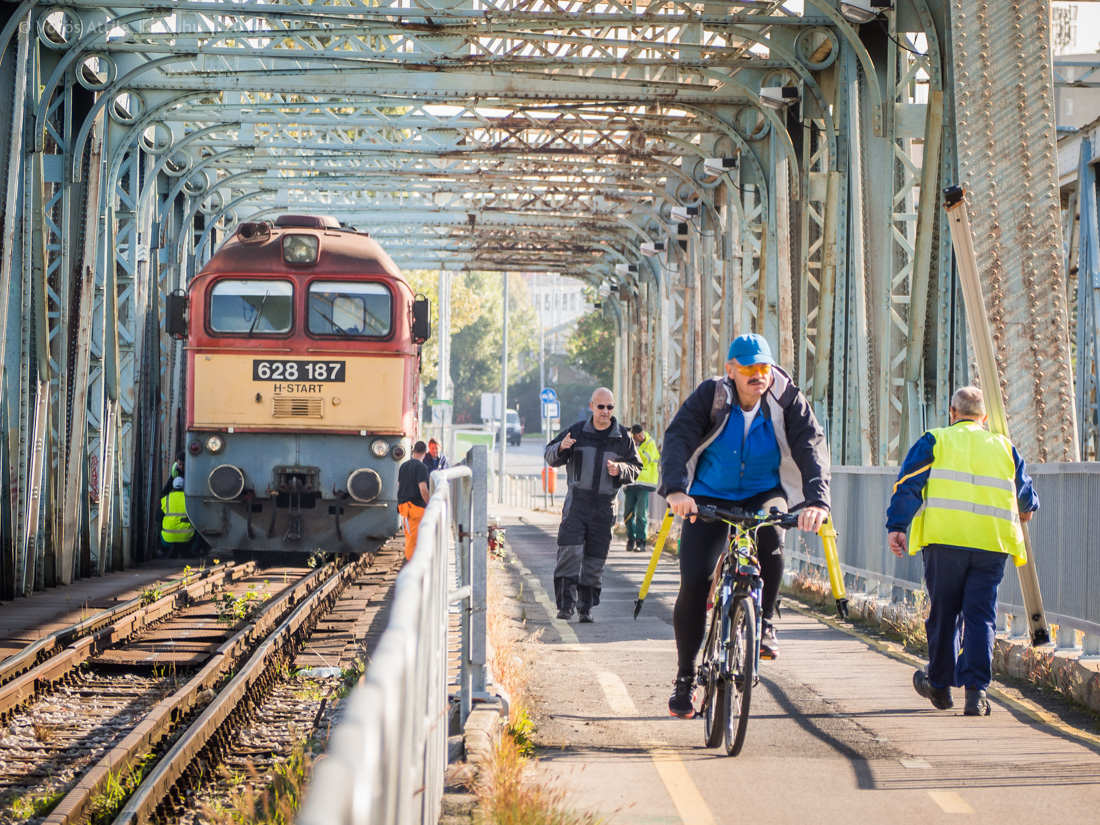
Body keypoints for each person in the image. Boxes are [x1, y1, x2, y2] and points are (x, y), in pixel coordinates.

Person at [660, 333, 830, 718]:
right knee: (695, 581)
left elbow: (810, 446)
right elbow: (678, 439)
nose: (759, 374)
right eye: (749, 367)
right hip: (708, 494)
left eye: (764, 367)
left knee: (771, 535)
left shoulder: (786, 399)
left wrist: (817, 500)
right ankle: (685, 678)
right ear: (731, 370)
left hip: (762, 490)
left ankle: (765, 622)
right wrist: (675, 491)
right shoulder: (711, 396)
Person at [886, 386, 1039, 717]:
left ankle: (939, 686)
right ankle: (976, 693)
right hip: (991, 546)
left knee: (945, 614)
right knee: (980, 616)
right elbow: (1026, 497)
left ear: (951, 413)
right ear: (984, 418)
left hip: (945, 543)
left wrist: (897, 526)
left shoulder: (935, 440)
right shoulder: (1004, 448)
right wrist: (1025, 509)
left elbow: (909, 484)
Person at [544, 387, 642, 622]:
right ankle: (565, 606)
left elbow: (636, 468)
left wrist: (621, 470)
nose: (606, 411)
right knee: (569, 554)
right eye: (601, 407)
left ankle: (585, 608)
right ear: (592, 407)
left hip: (604, 507)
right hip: (577, 503)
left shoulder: (623, 437)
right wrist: (561, 448)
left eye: (610, 407)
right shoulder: (576, 431)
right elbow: (549, 455)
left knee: (595, 561)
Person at [623, 424, 661, 552]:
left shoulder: (650, 443)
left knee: (641, 513)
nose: (641, 436)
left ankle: (641, 542)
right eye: (638, 436)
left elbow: (645, 459)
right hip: (630, 482)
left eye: (641, 434)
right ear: (634, 436)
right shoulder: (629, 443)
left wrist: (635, 447)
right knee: (627, 513)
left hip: (644, 483)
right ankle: (630, 539)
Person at [398, 441, 431, 561]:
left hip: (404, 507)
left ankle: (412, 563)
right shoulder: (421, 467)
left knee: (410, 537)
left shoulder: (403, 465)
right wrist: (429, 503)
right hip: (415, 508)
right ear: (425, 452)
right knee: (414, 539)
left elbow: (399, 485)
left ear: (413, 450)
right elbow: (423, 488)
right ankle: (412, 565)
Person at [160, 476, 197, 558]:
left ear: (172, 487)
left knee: (160, 524)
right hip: (187, 537)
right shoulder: (189, 499)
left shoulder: (166, 499)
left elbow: (158, 516)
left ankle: (164, 549)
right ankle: (191, 550)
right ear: (185, 487)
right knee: (198, 530)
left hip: (167, 538)